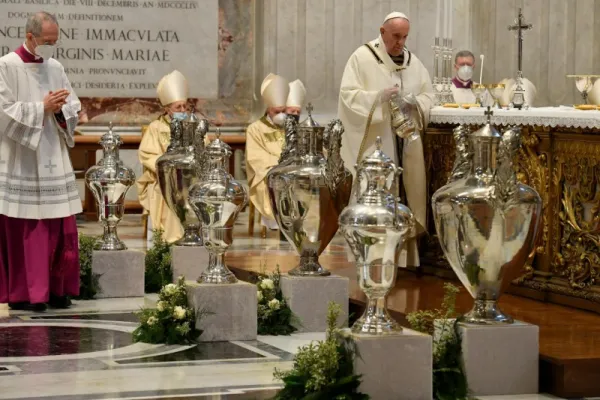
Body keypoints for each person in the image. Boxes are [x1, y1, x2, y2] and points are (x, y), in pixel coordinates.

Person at [338, 11, 434, 267]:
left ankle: (402, 258)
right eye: (395, 36)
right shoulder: (362, 57)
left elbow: (429, 95)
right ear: (382, 32)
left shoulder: (413, 62)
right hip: (377, 144)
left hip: (407, 143)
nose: (400, 42)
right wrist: (378, 97)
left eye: (404, 37)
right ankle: (371, 256)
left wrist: (413, 102)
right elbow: (348, 95)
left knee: (408, 191)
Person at [0, 12, 82, 311]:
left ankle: (57, 289)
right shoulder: (6, 66)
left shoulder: (55, 67)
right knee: (28, 225)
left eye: (54, 42)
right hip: (22, 156)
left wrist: (62, 111)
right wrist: (41, 108)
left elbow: (73, 104)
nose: (50, 48)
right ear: (30, 35)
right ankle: (27, 294)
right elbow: (3, 111)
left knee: (59, 224)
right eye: (46, 42)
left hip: (51, 153)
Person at [137, 70, 188, 243]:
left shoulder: (193, 125)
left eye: (184, 106)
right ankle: (163, 241)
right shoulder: (155, 127)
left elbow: (204, 148)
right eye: (178, 107)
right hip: (163, 177)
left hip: (189, 177)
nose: (183, 110)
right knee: (163, 190)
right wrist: (168, 167)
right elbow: (147, 154)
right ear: (167, 109)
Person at [245, 73, 291, 231]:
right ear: (268, 110)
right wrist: (276, 167)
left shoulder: (291, 127)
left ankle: (297, 222)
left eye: (283, 111)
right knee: (276, 182)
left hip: (289, 170)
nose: (281, 115)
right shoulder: (255, 129)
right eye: (277, 111)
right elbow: (255, 157)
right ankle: (276, 225)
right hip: (266, 173)